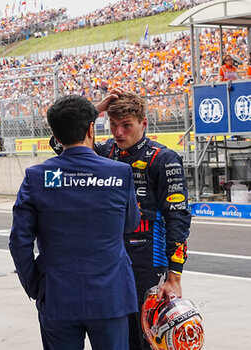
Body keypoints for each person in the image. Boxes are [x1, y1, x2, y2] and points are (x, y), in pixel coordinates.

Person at [50, 90, 191, 350]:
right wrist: (94, 110)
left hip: (148, 264)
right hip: (109, 262)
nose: (118, 133)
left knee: (146, 338)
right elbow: (61, 142)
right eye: (113, 125)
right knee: (116, 339)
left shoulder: (163, 158)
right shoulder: (104, 152)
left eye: (126, 125)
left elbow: (178, 219)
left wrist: (175, 276)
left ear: (143, 124)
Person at [9, 94, 141, 350]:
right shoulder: (119, 172)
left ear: (56, 137)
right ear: (92, 128)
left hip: (58, 296)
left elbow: (19, 242)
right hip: (110, 297)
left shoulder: (39, 177)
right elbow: (129, 225)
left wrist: (36, 286)